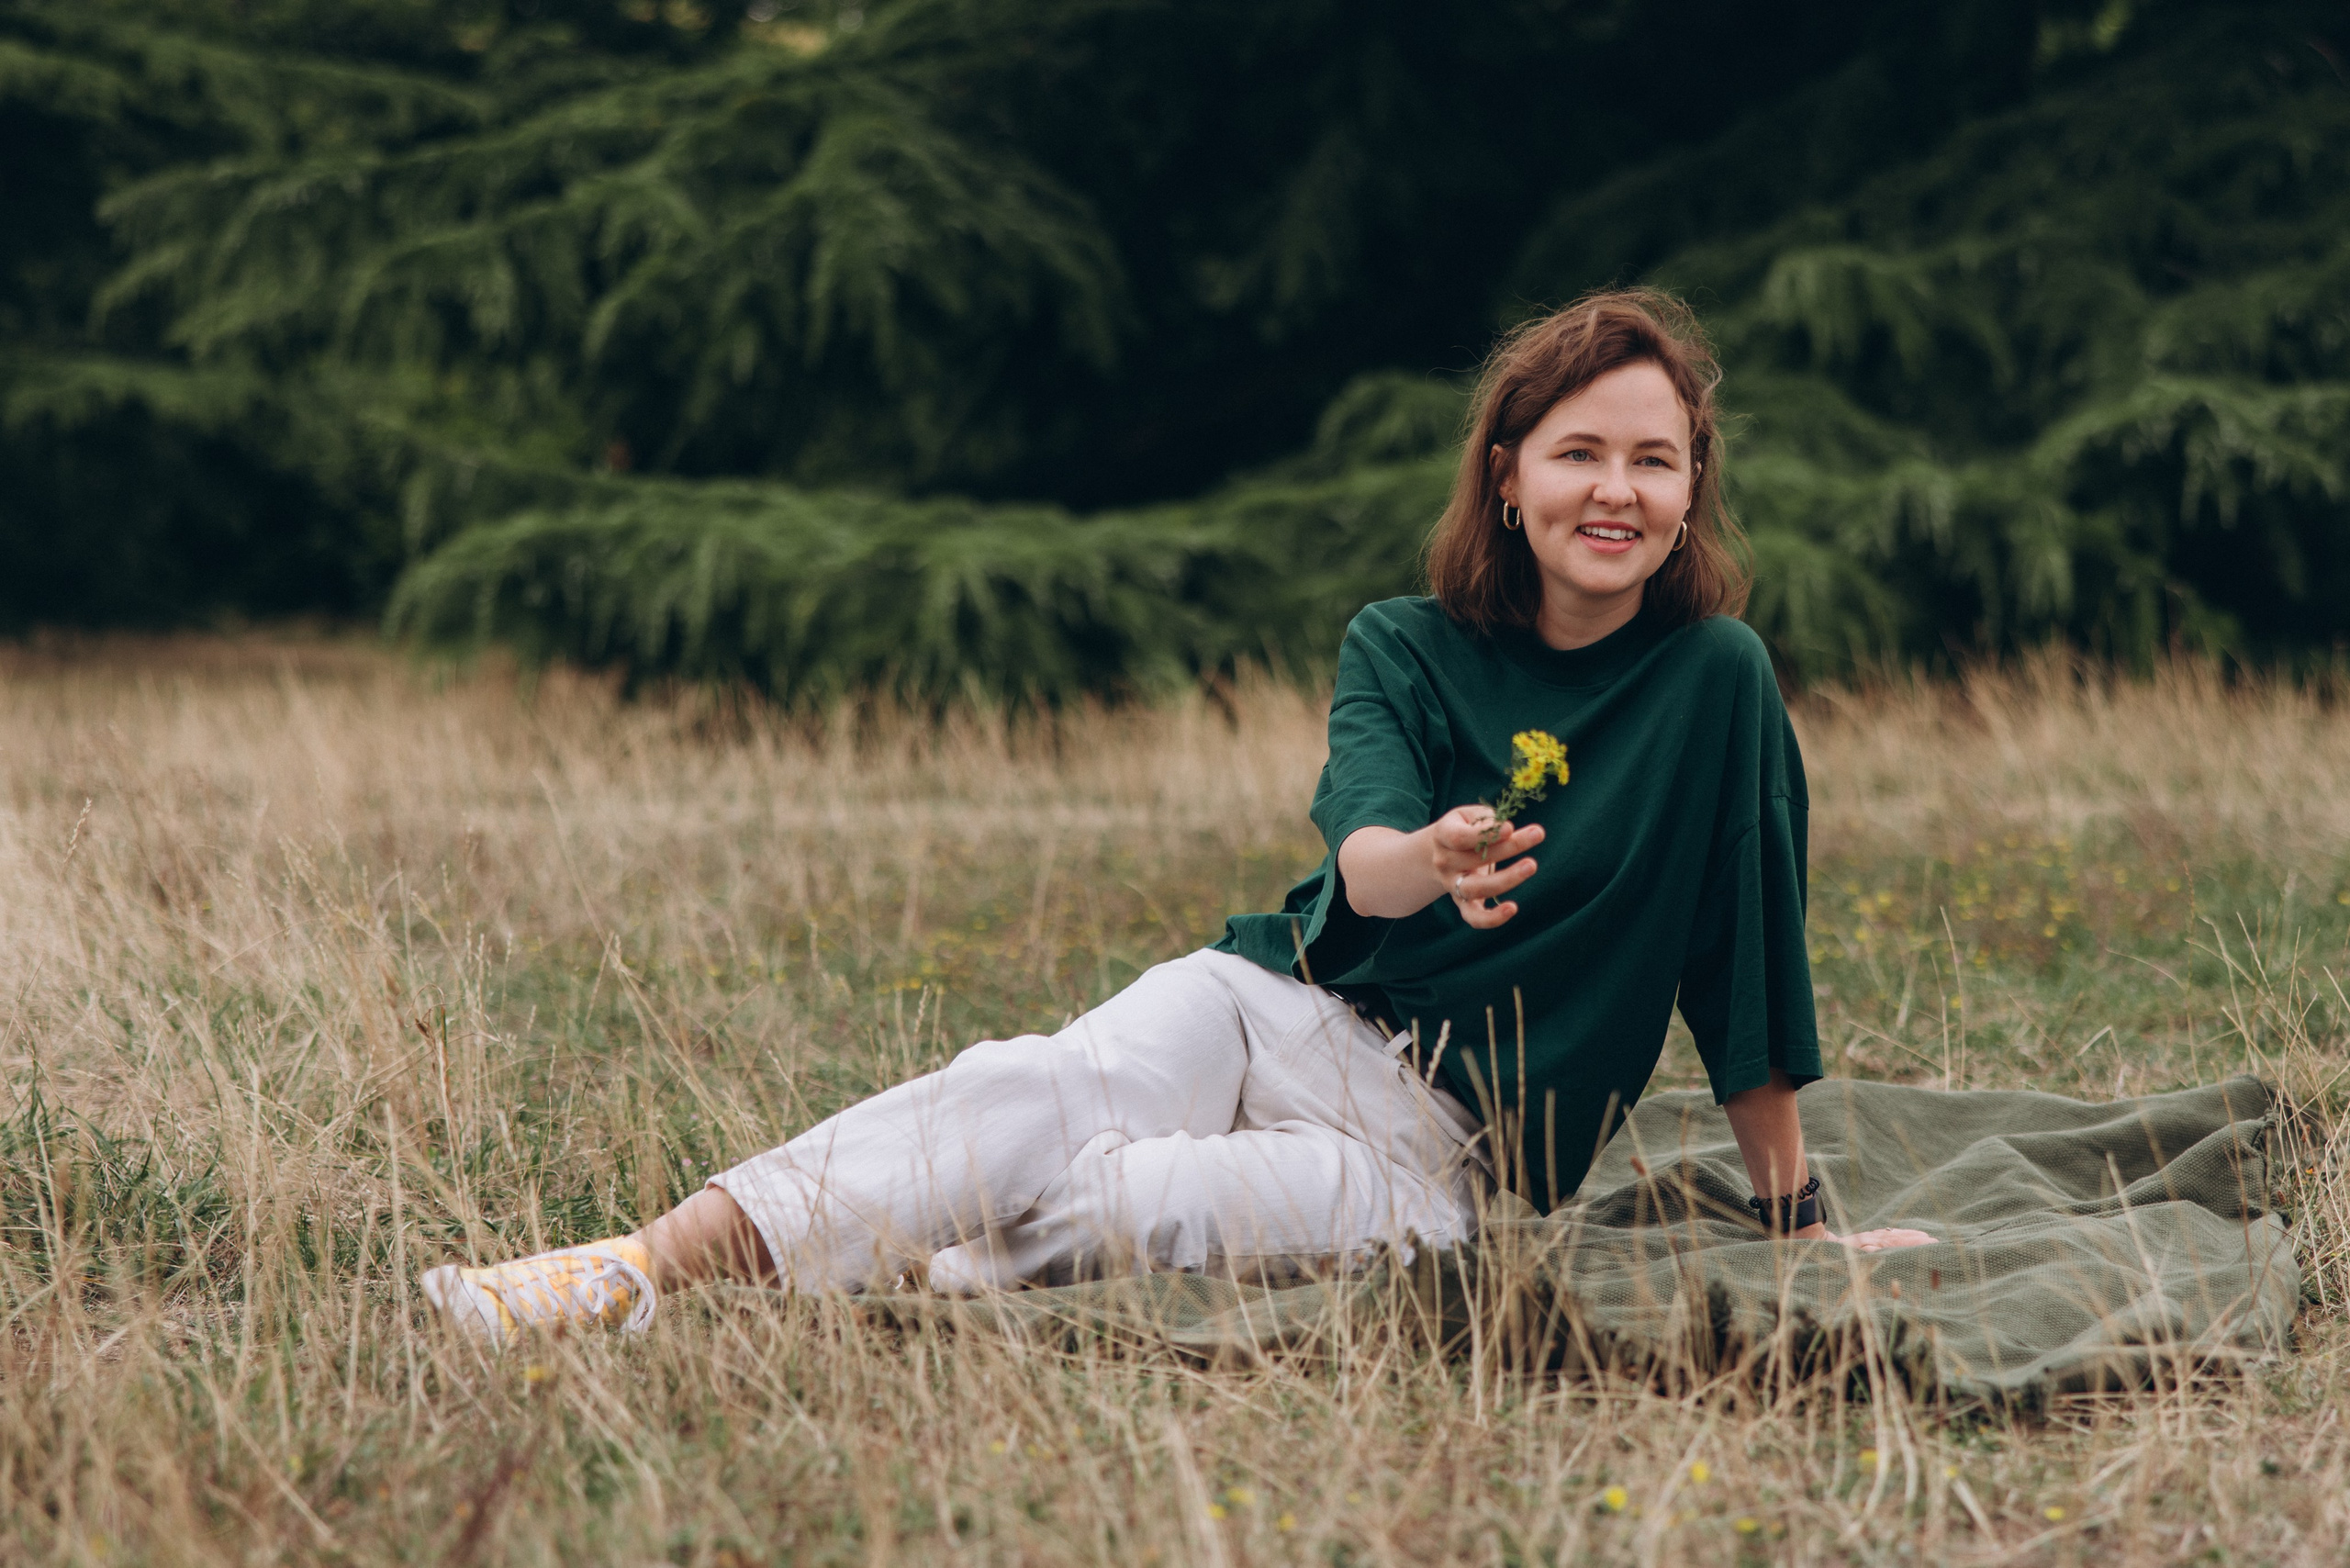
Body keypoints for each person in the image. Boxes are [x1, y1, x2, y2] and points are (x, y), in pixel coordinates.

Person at [423, 288, 1933, 1347]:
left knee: (1134, 1204)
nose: (1617, 491)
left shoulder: (1714, 679)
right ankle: (625, 1275)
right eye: (1579, 454)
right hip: (1277, 1008)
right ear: (1510, 475)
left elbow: (1745, 952)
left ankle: (874, 1259)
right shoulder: (1402, 643)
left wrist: (1797, 1223)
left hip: (1445, 1156)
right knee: (1028, 1087)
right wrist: (1436, 858)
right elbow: (1365, 856)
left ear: (1690, 491)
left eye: (1653, 460)